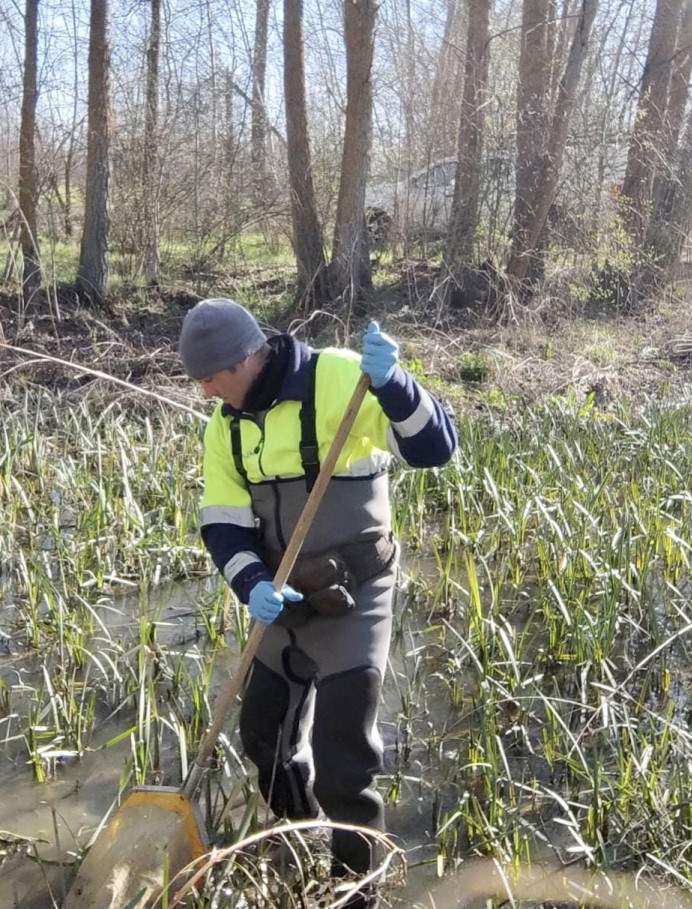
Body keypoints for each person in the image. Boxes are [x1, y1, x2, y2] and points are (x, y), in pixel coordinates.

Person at [179, 298, 456, 904]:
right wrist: (251, 583)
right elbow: (222, 521)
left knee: (345, 762)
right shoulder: (225, 422)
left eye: (211, 379)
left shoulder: (336, 377)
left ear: (247, 358)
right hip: (283, 597)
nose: (204, 393)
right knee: (262, 738)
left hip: (355, 595)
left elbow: (436, 448)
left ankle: (357, 886)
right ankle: (300, 837)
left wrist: (397, 387)